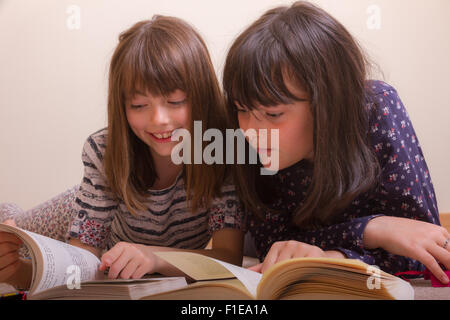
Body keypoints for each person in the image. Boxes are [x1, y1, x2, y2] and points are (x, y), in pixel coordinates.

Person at [0, 15, 245, 291]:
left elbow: (229, 259)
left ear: (201, 95)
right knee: (13, 233)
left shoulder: (223, 148)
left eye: (175, 101)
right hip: (81, 207)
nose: (159, 120)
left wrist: (155, 257)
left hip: (118, 224)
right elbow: (78, 266)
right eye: (139, 105)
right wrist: (16, 271)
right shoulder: (103, 152)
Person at [222, 1, 450, 283]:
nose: (251, 132)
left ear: (329, 103)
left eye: (273, 114)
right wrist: (372, 230)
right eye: (242, 110)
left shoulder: (377, 111)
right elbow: (275, 248)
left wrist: (332, 256)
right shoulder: (249, 145)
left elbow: (422, 250)